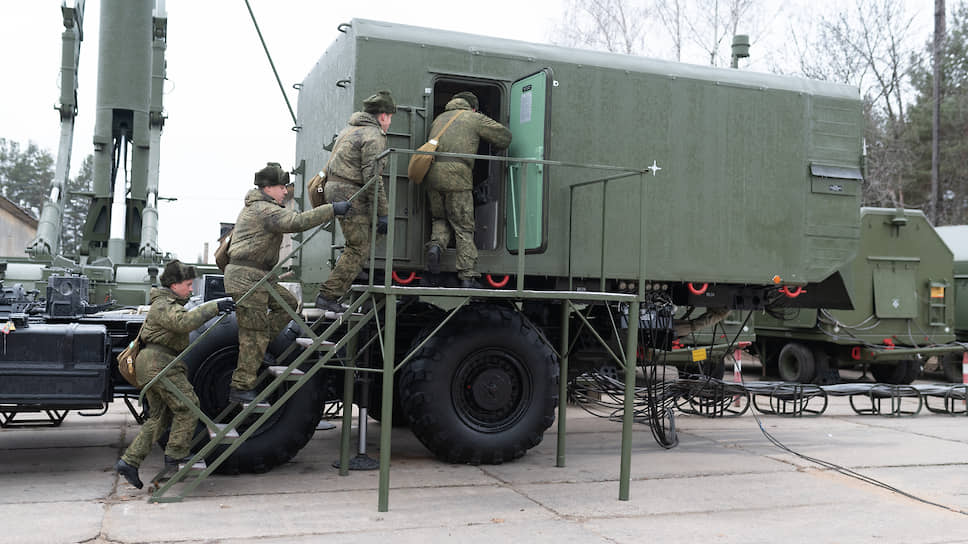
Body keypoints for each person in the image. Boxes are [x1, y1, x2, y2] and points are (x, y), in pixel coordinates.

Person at [224, 162, 350, 404]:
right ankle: (241, 387)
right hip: (248, 278)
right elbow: (297, 222)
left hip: (258, 276)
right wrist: (332, 209)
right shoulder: (265, 210)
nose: (285, 192)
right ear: (269, 187)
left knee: (289, 303)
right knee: (254, 334)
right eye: (282, 187)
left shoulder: (260, 207)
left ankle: (257, 348)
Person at [115, 260, 236, 489]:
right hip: (158, 364)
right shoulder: (163, 305)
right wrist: (215, 306)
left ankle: (129, 462)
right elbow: (183, 322)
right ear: (173, 285)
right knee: (188, 405)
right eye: (188, 284)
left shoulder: (167, 303)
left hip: (156, 364)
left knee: (159, 418)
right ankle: (176, 455)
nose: (191, 289)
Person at [315, 90, 396, 313]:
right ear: (383, 116)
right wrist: (383, 212)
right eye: (390, 117)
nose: (389, 122)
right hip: (350, 191)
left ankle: (356, 269)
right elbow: (372, 176)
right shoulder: (373, 135)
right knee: (358, 245)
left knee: (361, 240)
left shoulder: (349, 130)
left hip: (337, 189)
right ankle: (328, 295)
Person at [423, 91, 512, 288]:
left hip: (432, 175)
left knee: (440, 218)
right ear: (472, 107)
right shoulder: (473, 117)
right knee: (463, 226)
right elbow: (504, 137)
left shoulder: (439, 119)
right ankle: (466, 276)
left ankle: (436, 247)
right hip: (457, 176)